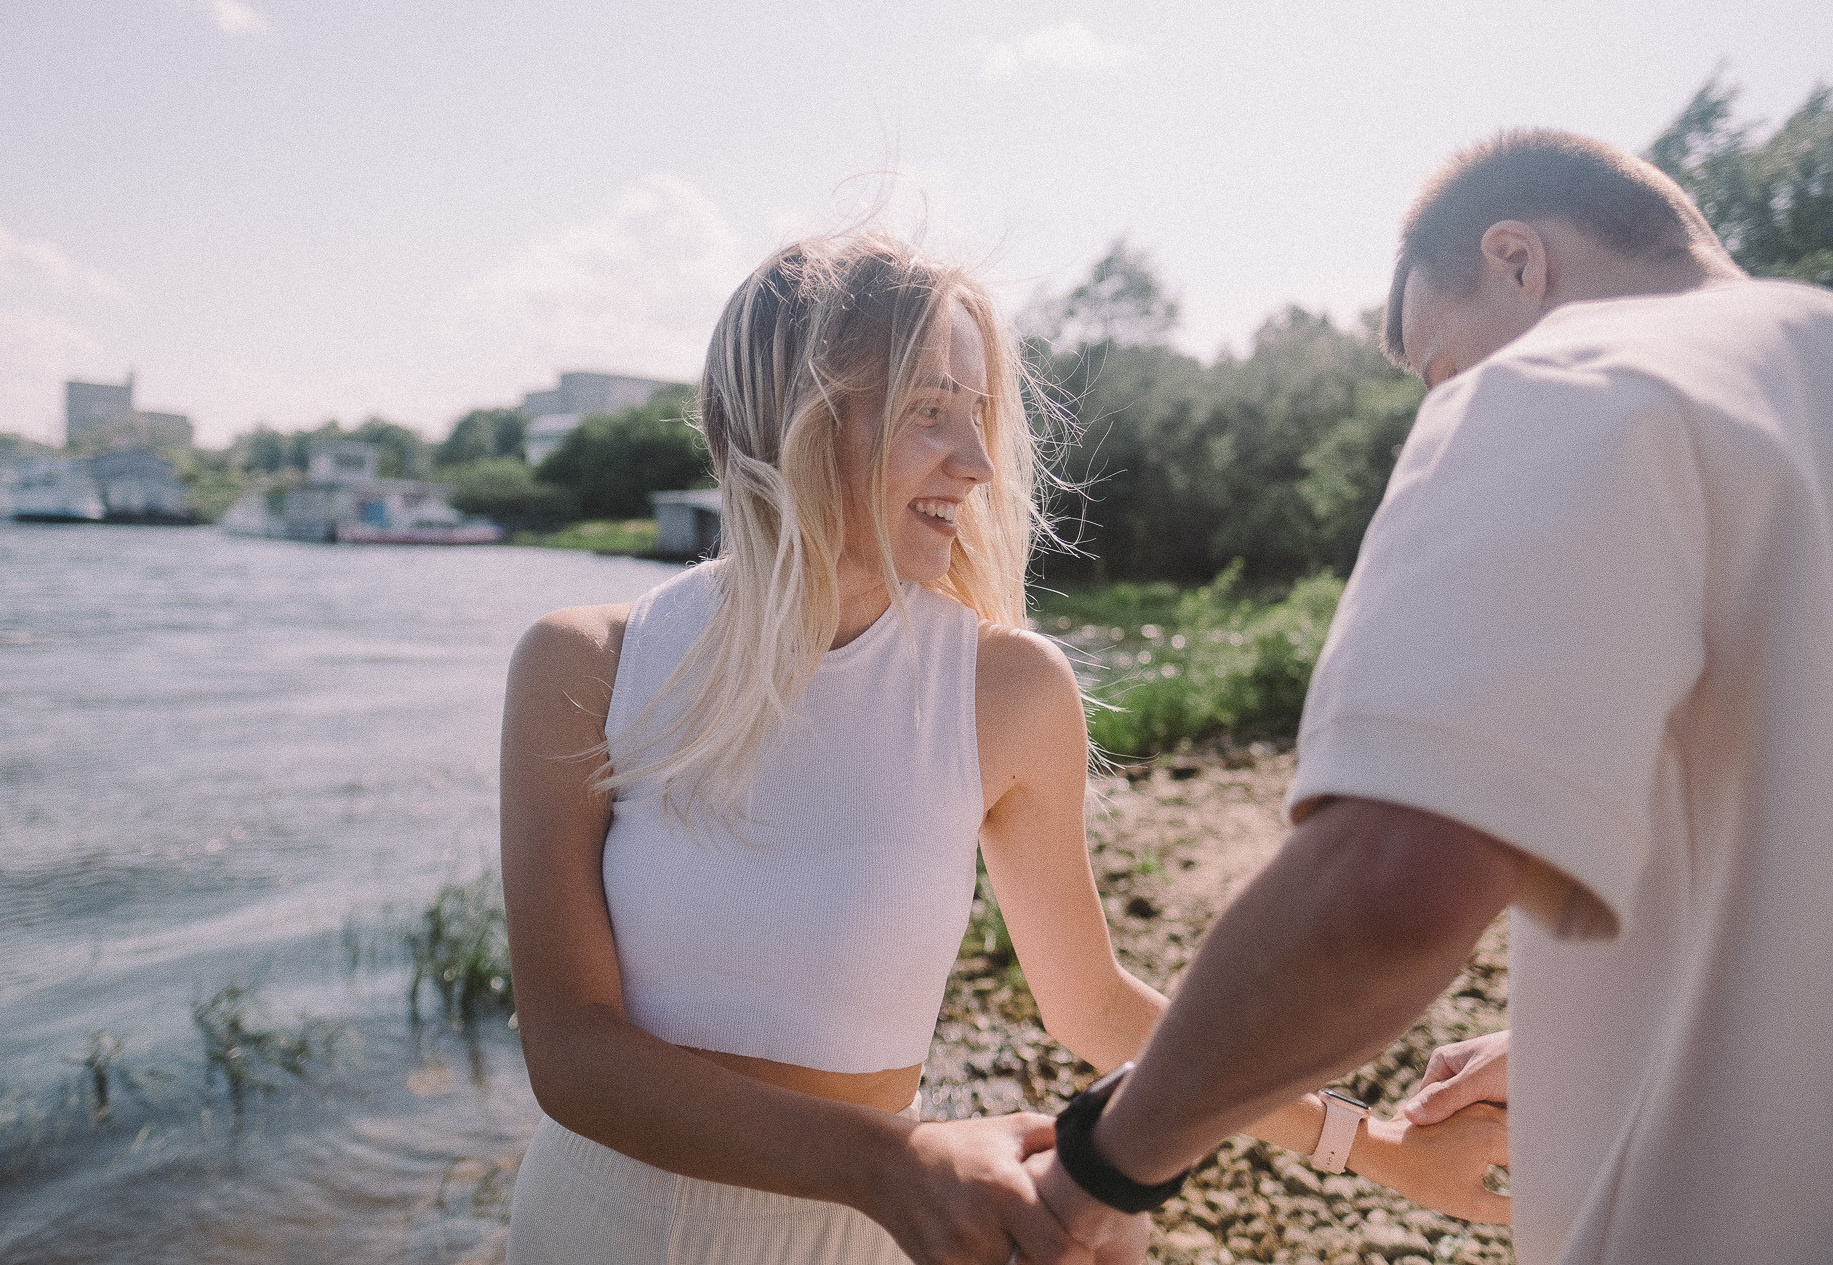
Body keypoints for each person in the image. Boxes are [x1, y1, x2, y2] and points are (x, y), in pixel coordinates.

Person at [498, 232, 1505, 1264]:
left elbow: (1094, 1003)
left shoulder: (1003, 690)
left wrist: (1372, 1144)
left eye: (975, 416)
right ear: (792, 415)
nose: (976, 465)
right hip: (591, 1226)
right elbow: (571, 1052)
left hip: (856, 1240)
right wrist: (899, 1160)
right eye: (929, 411)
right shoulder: (582, 665)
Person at [1026, 129, 1833, 1265]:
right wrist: (1590, 1040)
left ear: (1515, 259)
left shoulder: (1576, 381)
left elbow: (1386, 887)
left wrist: (1095, 1170)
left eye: (1435, 372)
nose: (1436, 411)